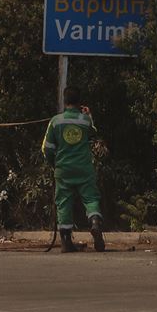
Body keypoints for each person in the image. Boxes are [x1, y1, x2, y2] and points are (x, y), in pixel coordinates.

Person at [42, 87, 105, 252]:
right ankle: (95, 223)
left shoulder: (55, 121)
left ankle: (65, 242)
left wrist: (54, 164)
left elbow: (47, 149)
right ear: (79, 102)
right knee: (91, 198)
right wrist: (88, 115)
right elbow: (93, 132)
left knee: (63, 202)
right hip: (84, 168)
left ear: (65, 101)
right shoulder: (85, 120)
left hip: (63, 169)